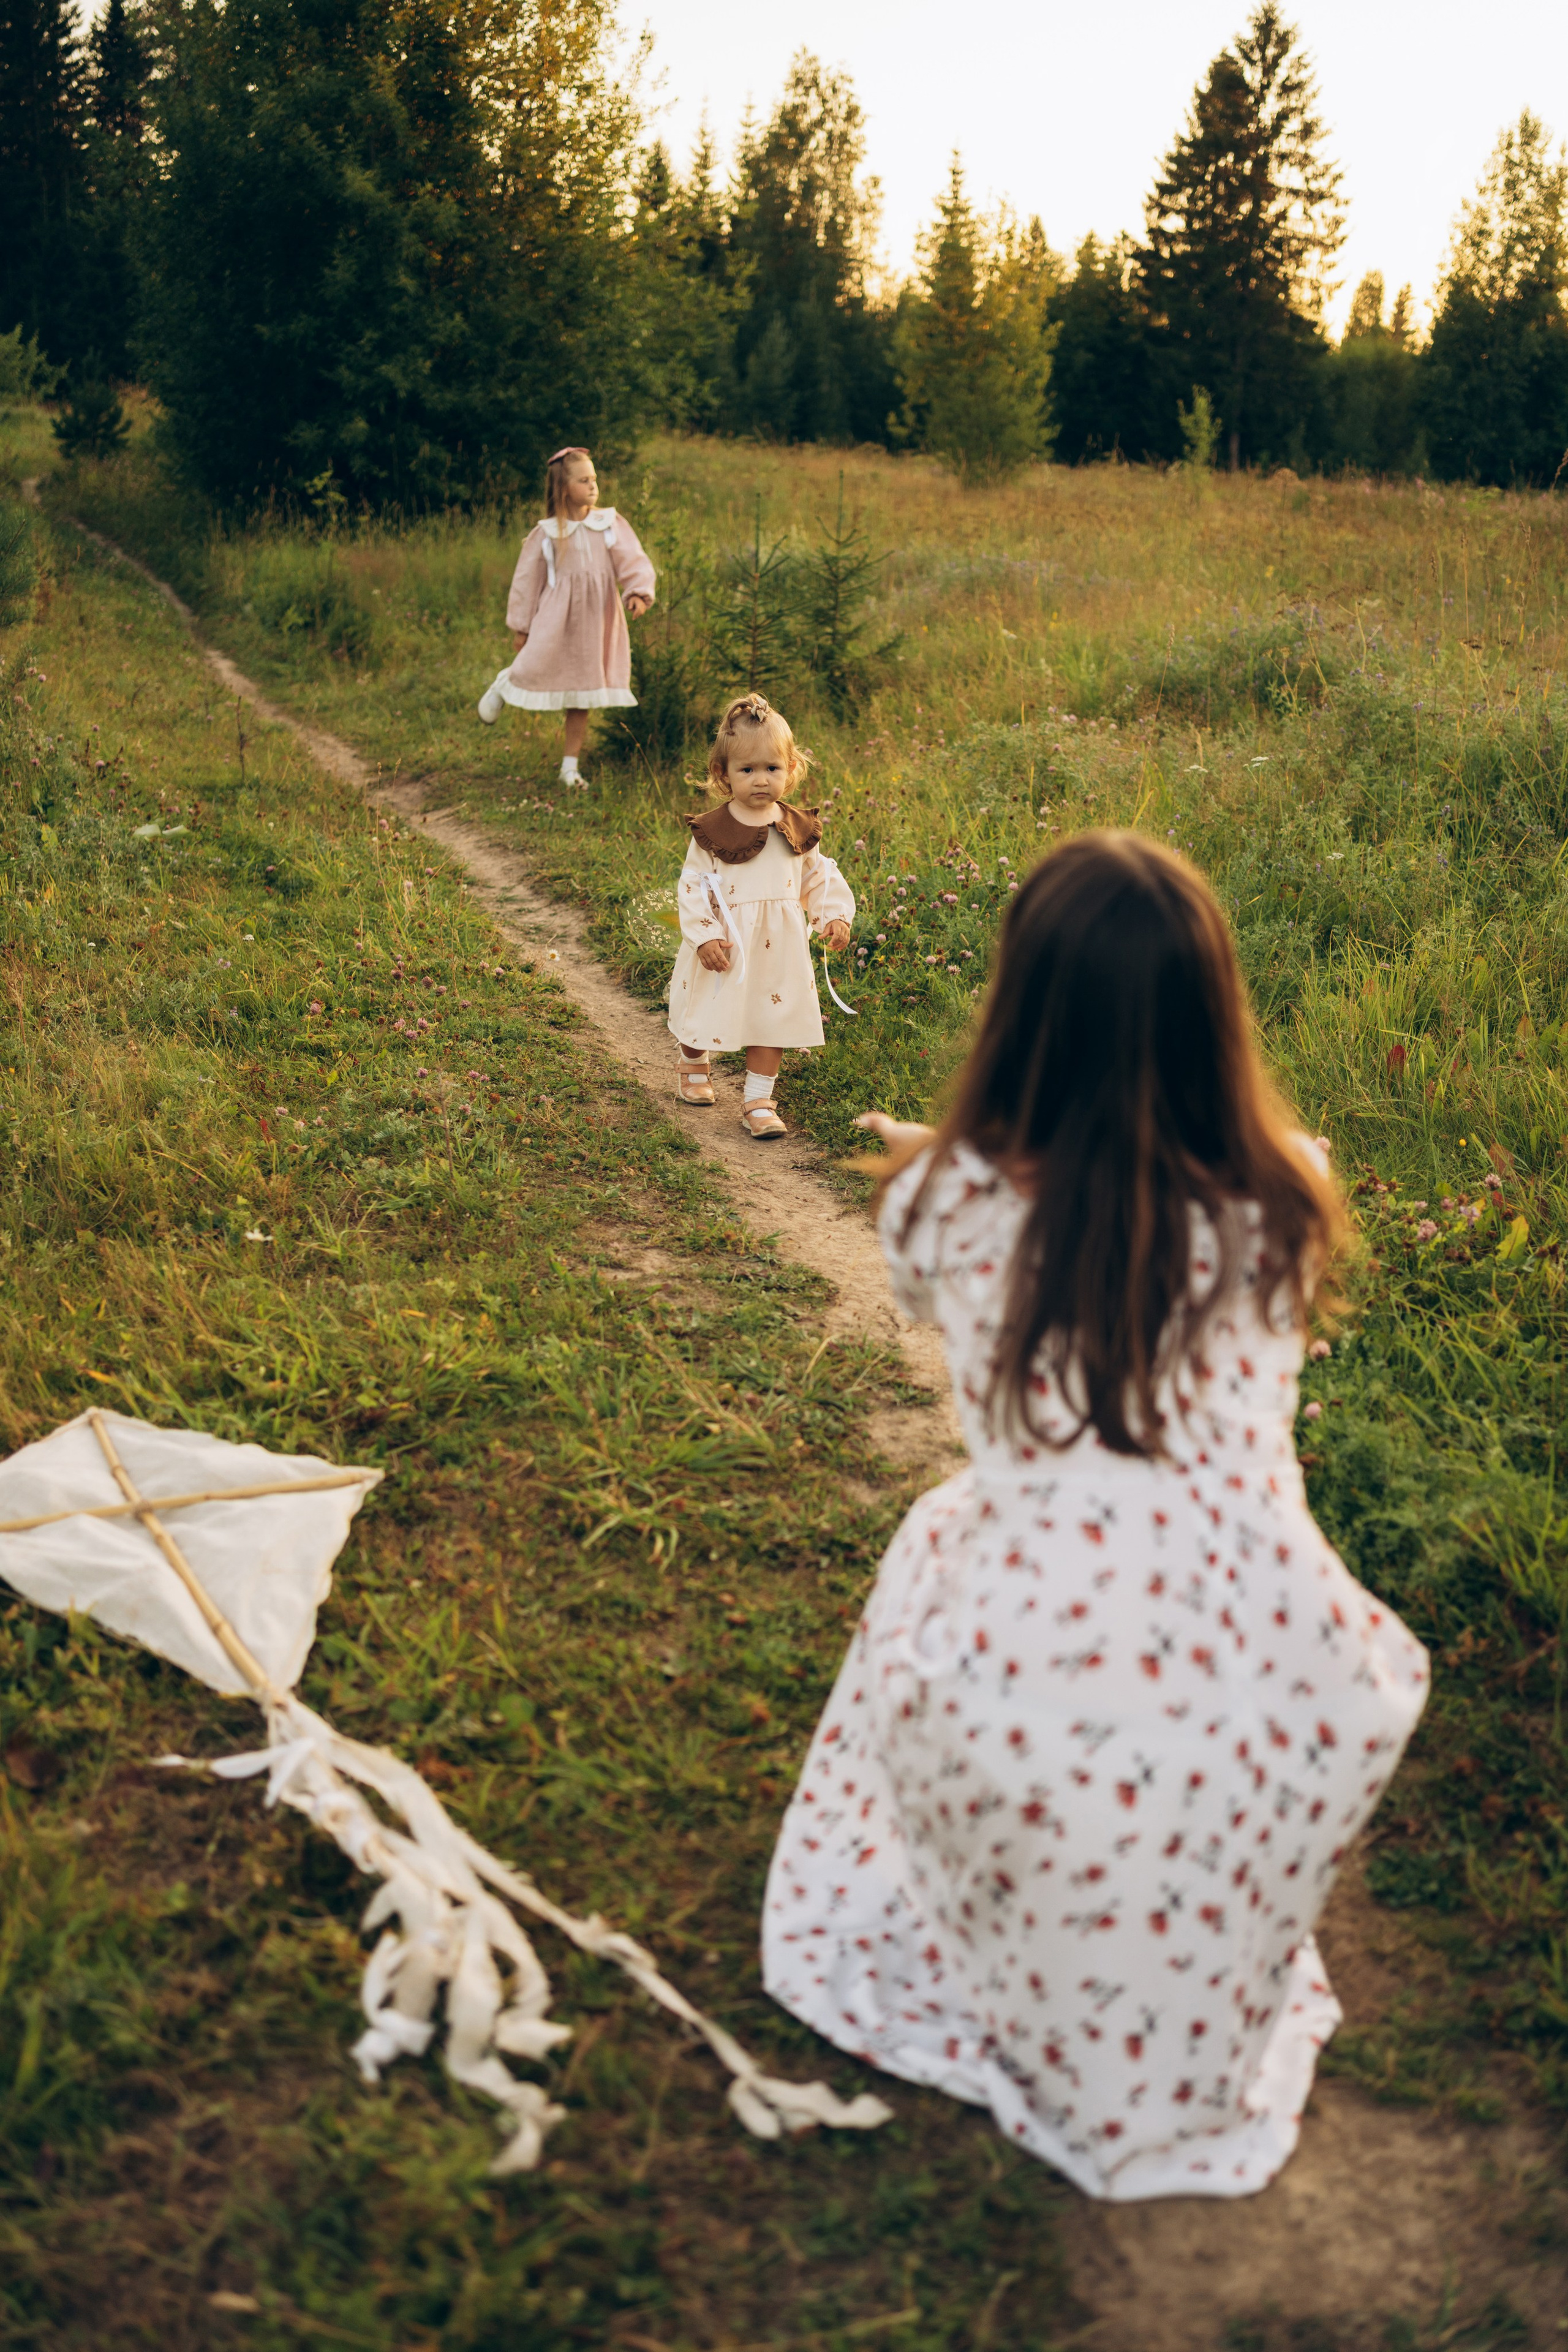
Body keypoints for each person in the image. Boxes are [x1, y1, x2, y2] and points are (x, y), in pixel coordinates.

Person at [763, 831, 1428, 2200]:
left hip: (1027, 1654)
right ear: (1211, 1014)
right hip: (1269, 1657)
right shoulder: (1287, 1192)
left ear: (1021, 1013)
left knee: (929, 1551)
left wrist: (935, 1156)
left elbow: (1001, 1206)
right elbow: (1125, 1203)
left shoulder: (936, 1203)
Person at [669, 693, 854, 1139]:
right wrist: (706, 935)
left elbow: (818, 877)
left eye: (772, 768)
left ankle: (758, 1099)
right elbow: (693, 886)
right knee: (705, 1011)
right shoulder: (713, 831)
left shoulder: (795, 828)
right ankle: (694, 1061)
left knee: (773, 1018)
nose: (760, 780)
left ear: (791, 770)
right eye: (747, 770)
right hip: (726, 943)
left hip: (780, 949)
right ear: (723, 774)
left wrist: (833, 915)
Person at [477, 447, 654, 787]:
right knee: (532, 663)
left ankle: (569, 768)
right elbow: (527, 583)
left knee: (582, 694)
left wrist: (637, 592)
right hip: (554, 620)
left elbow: (633, 560)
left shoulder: (609, 524)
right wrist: (521, 627)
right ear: (564, 488)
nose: (593, 486)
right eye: (584, 480)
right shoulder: (546, 533)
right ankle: (504, 684)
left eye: (595, 479)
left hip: (596, 623)